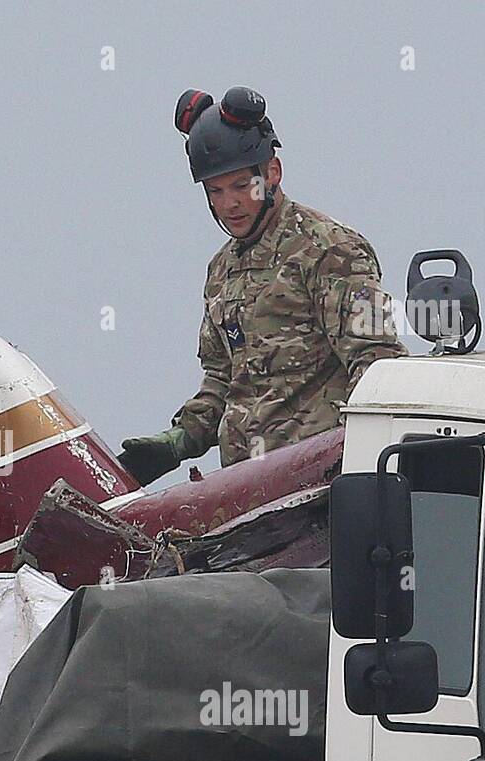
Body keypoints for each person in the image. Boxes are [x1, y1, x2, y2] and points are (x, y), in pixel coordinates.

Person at [118, 87, 407, 485]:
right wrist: (180, 440)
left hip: (320, 485)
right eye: (215, 191)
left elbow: (377, 364)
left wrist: (355, 466)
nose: (230, 204)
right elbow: (223, 379)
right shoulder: (222, 269)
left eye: (241, 186)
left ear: (272, 173)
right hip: (244, 490)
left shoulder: (328, 250)